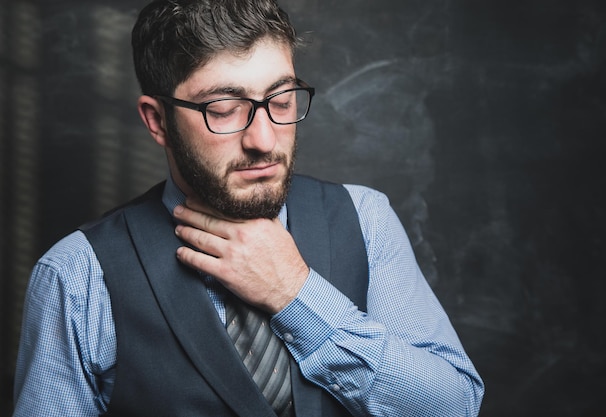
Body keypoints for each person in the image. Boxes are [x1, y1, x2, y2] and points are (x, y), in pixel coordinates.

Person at [13, 0, 484, 416]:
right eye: (223, 108)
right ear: (157, 121)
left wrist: (296, 295)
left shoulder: (366, 219)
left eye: (280, 100)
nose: (263, 140)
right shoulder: (75, 276)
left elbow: (455, 405)